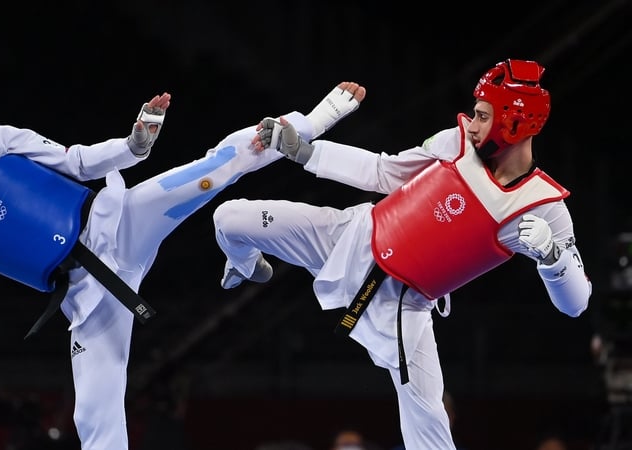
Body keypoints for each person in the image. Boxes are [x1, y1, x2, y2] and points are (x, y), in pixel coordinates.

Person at [0, 70, 365, 449]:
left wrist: (131, 145)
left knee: (219, 166)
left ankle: (310, 123)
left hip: (119, 221)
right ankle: (244, 257)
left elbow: (75, 160)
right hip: (89, 296)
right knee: (94, 419)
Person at [212, 59, 592, 449]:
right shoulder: (457, 141)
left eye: (482, 116)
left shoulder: (543, 207)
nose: (473, 123)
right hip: (350, 237)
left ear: (514, 122)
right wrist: (305, 152)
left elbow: (576, 304)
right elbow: (385, 171)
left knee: (430, 434)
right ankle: (247, 265)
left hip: (404, 307)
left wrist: (553, 258)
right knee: (229, 218)